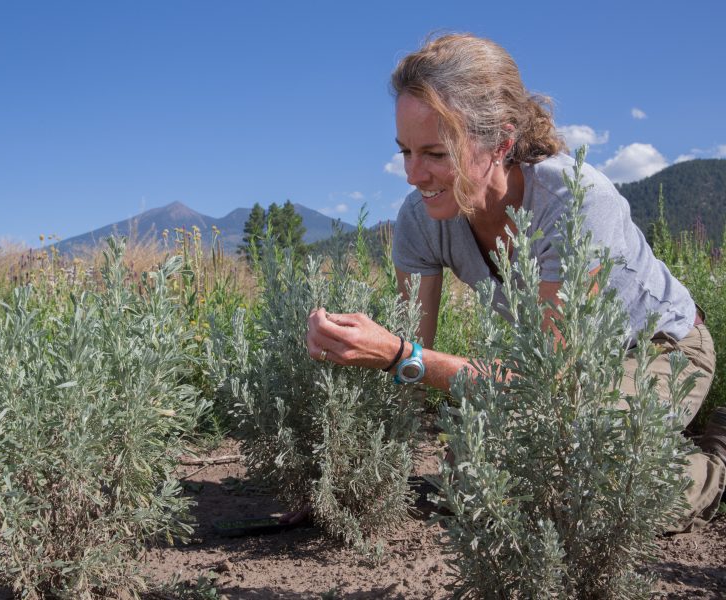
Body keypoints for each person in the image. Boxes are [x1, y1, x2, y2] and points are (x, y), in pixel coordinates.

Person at [305, 33, 725, 532]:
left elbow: (546, 382)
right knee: (474, 475)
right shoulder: (419, 219)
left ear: (502, 144)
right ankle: (649, 442)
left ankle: (715, 463)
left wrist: (398, 355)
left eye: (436, 153)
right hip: (571, 373)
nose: (414, 175)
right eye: (405, 152)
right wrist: (345, 488)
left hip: (662, 349)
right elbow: (412, 367)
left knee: (587, 486)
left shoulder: (575, 201)